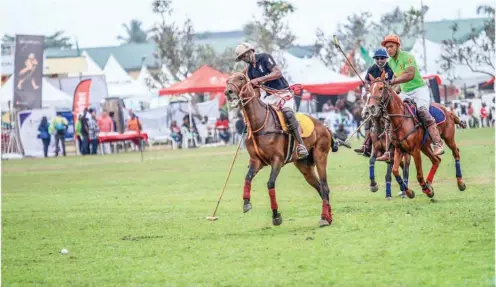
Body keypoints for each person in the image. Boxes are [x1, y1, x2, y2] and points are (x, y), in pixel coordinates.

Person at [234, 42, 308, 159]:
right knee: (259, 116)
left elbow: (278, 73)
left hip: (282, 93)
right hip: (268, 97)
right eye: (241, 57)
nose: (243, 58)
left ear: (250, 51)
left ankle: (301, 145)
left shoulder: (264, 58)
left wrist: (260, 79)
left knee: (288, 113)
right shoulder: (250, 71)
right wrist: (250, 104)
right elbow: (257, 93)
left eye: (244, 55)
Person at [376, 34, 444, 161]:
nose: (389, 49)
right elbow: (398, 82)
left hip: (419, 90)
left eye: (391, 46)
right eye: (387, 47)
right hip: (405, 91)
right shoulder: (390, 62)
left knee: (422, 111)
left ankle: (438, 143)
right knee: (389, 114)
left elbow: (410, 75)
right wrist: (392, 92)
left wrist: (392, 82)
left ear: (397, 46)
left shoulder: (408, 57)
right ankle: (389, 151)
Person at [354, 48, 394, 157]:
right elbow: (367, 81)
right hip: (375, 98)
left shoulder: (390, 68)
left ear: (385, 58)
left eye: (382, 58)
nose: (380, 60)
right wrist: (367, 88)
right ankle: (366, 145)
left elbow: (391, 82)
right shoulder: (371, 69)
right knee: (368, 116)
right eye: (377, 58)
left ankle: (395, 144)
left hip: (387, 98)